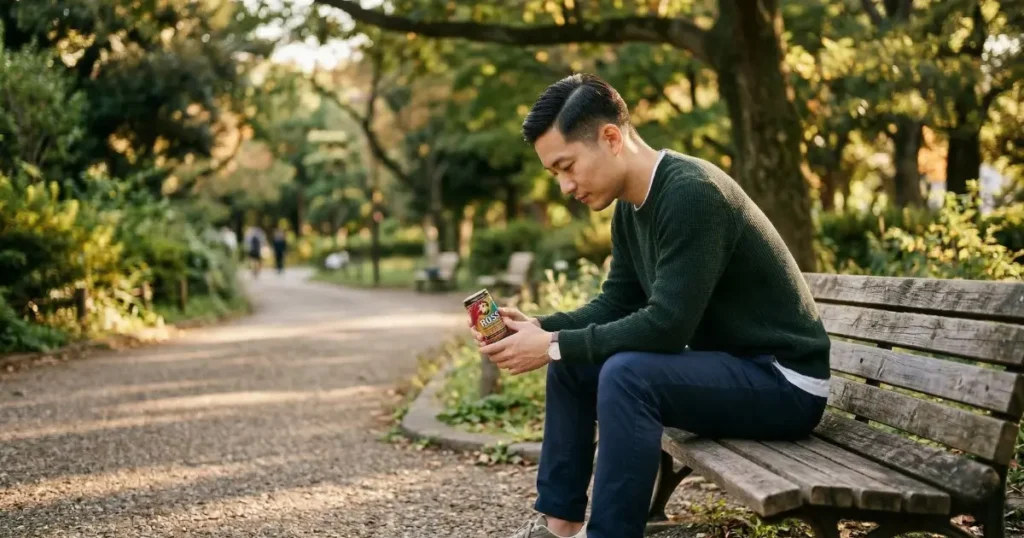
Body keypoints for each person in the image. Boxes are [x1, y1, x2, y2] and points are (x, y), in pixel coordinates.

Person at [468, 74, 831, 538]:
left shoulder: (692, 192)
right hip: (731, 370)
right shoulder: (629, 206)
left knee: (625, 374)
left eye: (567, 166)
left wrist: (554, 343)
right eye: (554, 173)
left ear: (611, 138)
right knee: (575, 364)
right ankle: (560, 526)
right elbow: (618, 302)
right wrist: (541, 328)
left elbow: (667, 327)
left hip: (784, 384)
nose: (564, 186)